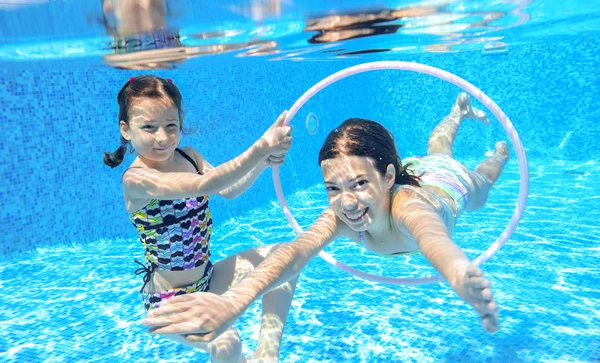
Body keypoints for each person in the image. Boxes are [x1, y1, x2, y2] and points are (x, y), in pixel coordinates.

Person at [140, 92, 509, 343]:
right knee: (435, 148)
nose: (347, 202)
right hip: (408, 169)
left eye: (359, 184)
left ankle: (500, 152)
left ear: (389, 179)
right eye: (333, 188)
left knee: (481, 178)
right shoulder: (343, 214)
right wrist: (233, 301)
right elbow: (294, 253)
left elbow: (435, 241)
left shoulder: (408, 207)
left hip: (448, 185)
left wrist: (460, 274)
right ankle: (458, 111)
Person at [103, 75, 298, 363]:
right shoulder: (136, 178)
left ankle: (268, 356)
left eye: (171, 126)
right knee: (227, 343)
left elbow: (230, 189)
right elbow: (202, 186)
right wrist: (260, 147)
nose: (162, 137)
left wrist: (263, 161)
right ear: (126, 130)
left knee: (287, 255)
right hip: (170, 302)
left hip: (208, 279)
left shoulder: (190, 157)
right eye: (148, 127)